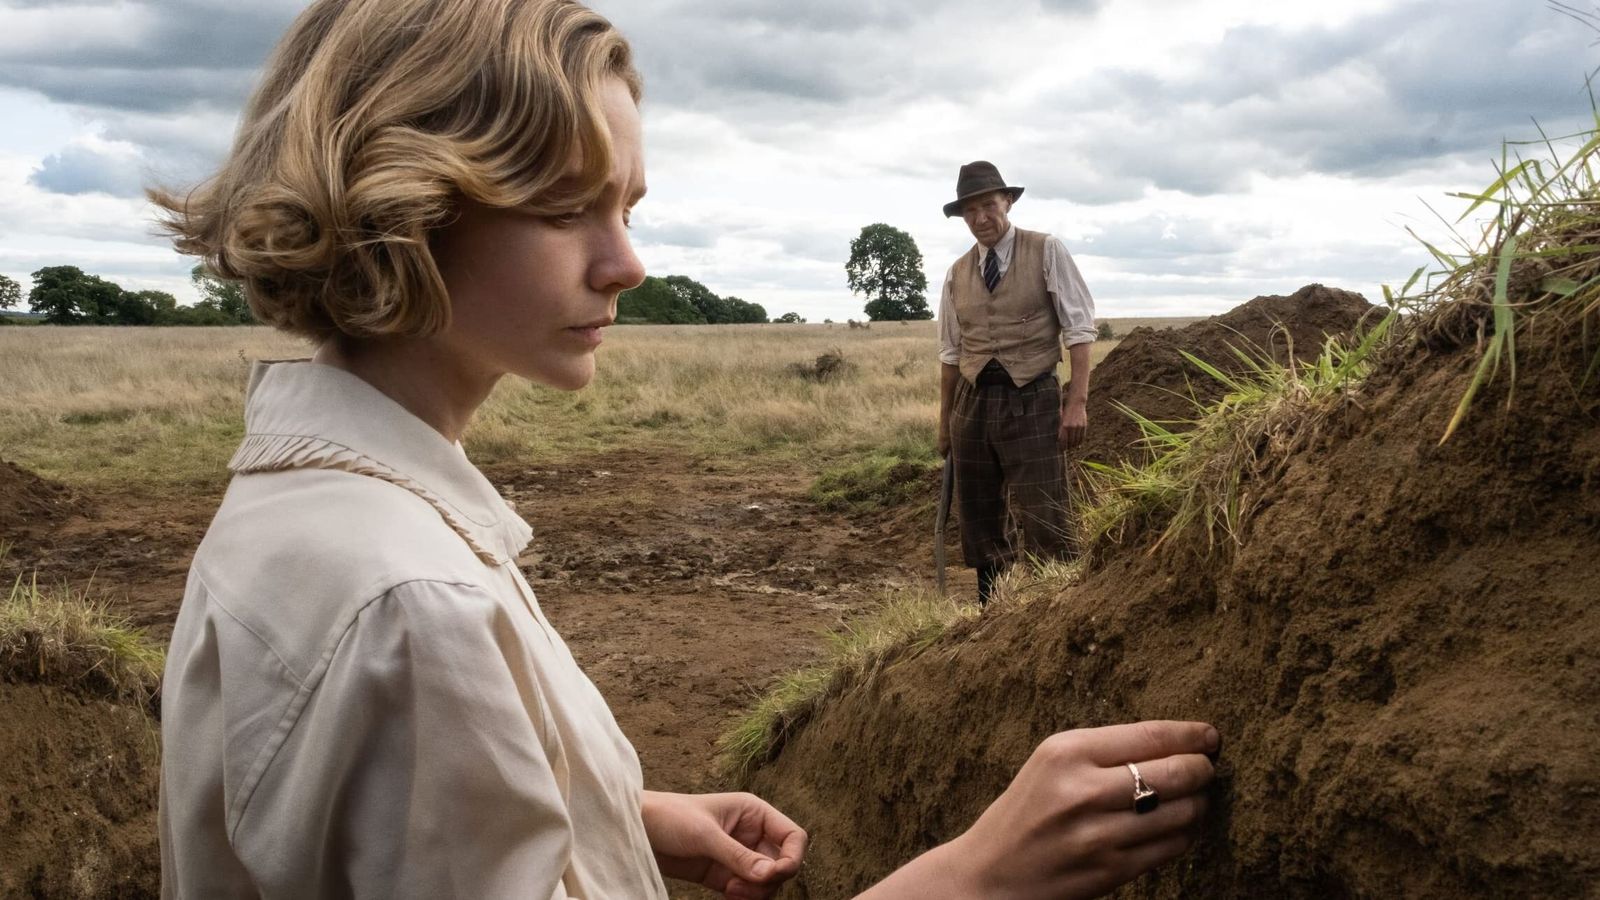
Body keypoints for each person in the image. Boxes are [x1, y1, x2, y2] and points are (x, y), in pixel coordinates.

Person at [151, 2, 1215, 897]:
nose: (627, 263)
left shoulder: (304, 511)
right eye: (567, 208)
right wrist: (974, 876)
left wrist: (611, 813)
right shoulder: (409, 606)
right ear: (404, 202)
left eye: (627, 205)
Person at [936, 161, 1099, 605]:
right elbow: (951, 354)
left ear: (1007, 201)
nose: (980, 219)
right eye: (970, 211)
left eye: (988, 205)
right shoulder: (956, 272)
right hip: (972, 404)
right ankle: (994, 613)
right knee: (980, 515)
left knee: (1045, 510)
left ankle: (1058, 608)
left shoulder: (1046, 250)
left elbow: (1079, 330)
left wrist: (1077, 403)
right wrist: (945, 423)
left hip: (1032, 396)